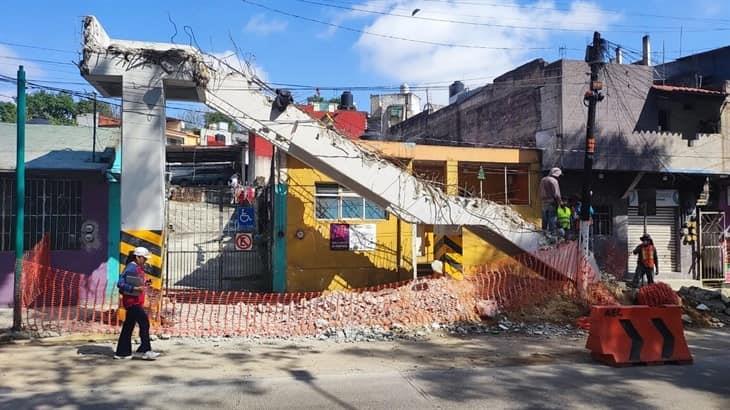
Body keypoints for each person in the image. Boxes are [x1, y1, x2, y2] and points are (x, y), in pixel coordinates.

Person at [114, 247, 160, 360]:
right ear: (138, 257)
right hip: (132, 302)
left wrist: (144, 283)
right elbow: (120, 283)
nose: (145, 261)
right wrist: (134, 288)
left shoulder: (137, 268)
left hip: (135, 302)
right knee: (144, 322)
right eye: (144, 258)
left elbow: (136, 281)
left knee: (128, 327)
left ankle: (122, 353)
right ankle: (145, 350)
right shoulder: (131, 268)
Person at [539, 167, 562, 235]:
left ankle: (544, 232)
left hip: (544, 202)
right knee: (552, 218)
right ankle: (552, 234)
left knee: (544, 218)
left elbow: (540, 191)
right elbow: (557, 194)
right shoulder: (554, 181)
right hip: (552, 202)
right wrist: (560, 202)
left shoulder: (543, 180)